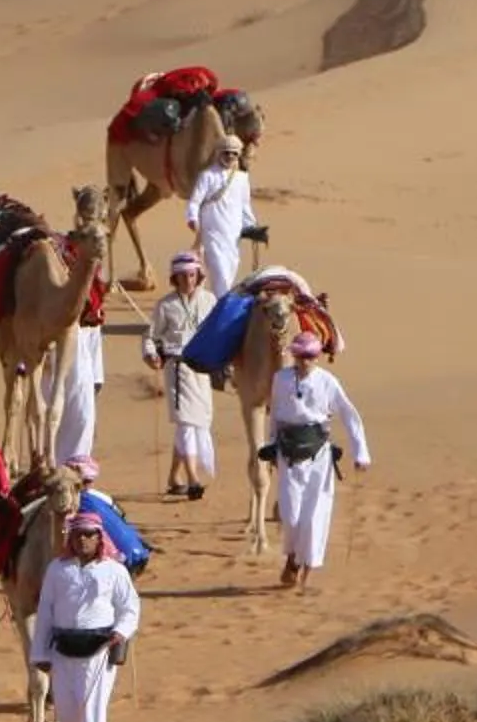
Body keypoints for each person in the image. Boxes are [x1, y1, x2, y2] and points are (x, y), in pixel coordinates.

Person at [28, 511, 142, 722]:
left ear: (99, 537)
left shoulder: (114, 570)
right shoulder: (57, 569)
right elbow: (45, 612)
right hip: (62, 649)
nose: (82, 539)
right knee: (66, 711)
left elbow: (130, 607)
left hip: (99, 651)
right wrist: (40, 653)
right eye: (77, 534)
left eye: (89, 534)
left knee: (92, 711)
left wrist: (121, 632)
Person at [266, 332, 371, 592]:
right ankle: (292, 557)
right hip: (288, 454)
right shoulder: (280, 379)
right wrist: (269, 447)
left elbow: (349, 414)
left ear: (318, 356)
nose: (305, 361)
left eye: (311, 356)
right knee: (291, 515)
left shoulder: (328, 382)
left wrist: (361, 452)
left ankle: (305, 575)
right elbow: (275, 415)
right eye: (301, 356)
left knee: (315, 516)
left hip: (318, 456)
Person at [143, 251, 217, 499]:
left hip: (202, 371)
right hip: (177, 368)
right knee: (186, 424)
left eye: (192, 275)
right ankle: (194, 479)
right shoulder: (165, 305)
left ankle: (175, 477)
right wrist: (151, 354)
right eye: (182, 276)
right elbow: (150, 337)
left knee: (197, 421)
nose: (188, 281)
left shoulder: (210, 301)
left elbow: (220, 332)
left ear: (199, 276)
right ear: (175, 279)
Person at [186, 133, 254, 293]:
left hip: (233, 235)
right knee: (221, 273)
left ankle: (218, 309)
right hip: (212, 233)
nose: (230, 156)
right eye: (226, 152)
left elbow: (245, 206)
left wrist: (253, 228)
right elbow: (195, 201)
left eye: (234, 153)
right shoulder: (207, 176)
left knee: (229, 272)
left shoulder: (242, 178)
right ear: (218, 153)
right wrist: (192, 218)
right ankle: (222, 310)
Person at [53, 275, 107, 467]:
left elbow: (94, 334)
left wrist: (96, 377)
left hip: (82, 349)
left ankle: (77, 472)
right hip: (46, 349)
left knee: (83, 418)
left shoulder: (92, 285)